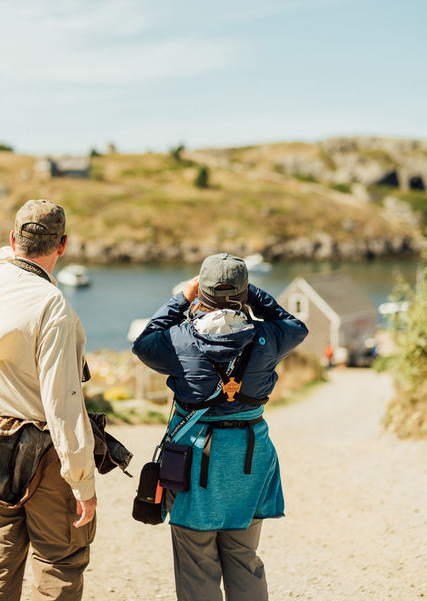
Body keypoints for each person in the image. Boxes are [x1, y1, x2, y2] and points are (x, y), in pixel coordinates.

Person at [132, 253, 308, 601]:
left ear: (201, 294)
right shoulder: (268, 336)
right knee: (244, 558)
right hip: (249, 457)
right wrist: (249, 294)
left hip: (194, 461)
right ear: (245, 293)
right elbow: (296, 326)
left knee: (197, 565)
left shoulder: (178, 340)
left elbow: (143, 342)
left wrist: (182, 297)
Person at [0, 199, 97, 601]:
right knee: (60, 560)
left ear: (11, 239)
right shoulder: (50, 304)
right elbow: (63, 402)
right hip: (42, 449)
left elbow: (6, 254)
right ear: (63, 245)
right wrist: (82, 482)